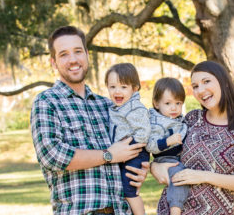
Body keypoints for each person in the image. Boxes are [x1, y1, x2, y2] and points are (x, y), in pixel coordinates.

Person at [30, 26, 149, 215]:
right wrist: (108, 155)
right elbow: (52, 155)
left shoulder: (107, 105)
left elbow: (128, 148)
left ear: (86, 54)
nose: (73, 60)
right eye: (64, 54)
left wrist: (139, 169)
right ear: (53, 62)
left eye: (78, 51)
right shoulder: (47, 102)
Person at [151, 61, 234, 215]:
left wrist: (204, 176)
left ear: (224, 82)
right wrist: (154, 167)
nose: (200, 90)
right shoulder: (191, 119)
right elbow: (165, 152)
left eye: (206, 81)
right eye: (195, 86)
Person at [105, 63, 151, 215]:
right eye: (112, 87)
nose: (117, 91)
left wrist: (126, 148)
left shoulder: (135, 108)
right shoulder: (117, 107)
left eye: (123, 87)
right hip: (123, 153)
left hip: (135, 152)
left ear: (134, 88)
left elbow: (143, 133)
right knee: (121, 189)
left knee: (129, 190)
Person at [145, 77, 188, 215]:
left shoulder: (179, 119)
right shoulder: (156, 123)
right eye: (168, 103)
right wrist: (168, 141)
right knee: (179, 176)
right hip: (165, 159)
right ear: (156, 104)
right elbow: (150, 146)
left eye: (178, 103)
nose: (174, 107)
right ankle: (175, 209)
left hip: (177, 157)